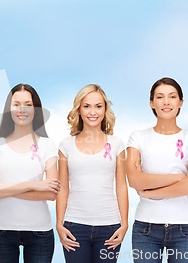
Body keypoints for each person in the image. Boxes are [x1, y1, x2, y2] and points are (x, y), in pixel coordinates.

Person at [126, 77, 188, 263]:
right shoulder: (137, 138)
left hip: (184, 228)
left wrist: (148, 192)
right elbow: (134, 181)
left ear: (180, 102)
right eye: (160, 97)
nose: (166, 102)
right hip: (146, 227)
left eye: (172, 96)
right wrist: (178, 178)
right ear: (152, 103)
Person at [0, 83, 59, 263]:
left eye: (28, 104)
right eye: (16, 104)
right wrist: (33, 185)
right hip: (2, 232)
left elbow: (51, 193)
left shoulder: (47, 145)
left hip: (40, 232)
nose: (21, 109)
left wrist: (2, 187)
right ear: (9, 108)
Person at [56, 84, 128, 262]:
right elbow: (63, 188)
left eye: (98, 106)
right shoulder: (66, 145)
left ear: (105, 110)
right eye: (86, 106)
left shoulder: (117, 144)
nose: (92, 112)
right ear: (79, 110)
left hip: (109, 227)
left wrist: (124, 224)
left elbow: (121, 186)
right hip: (74, 227)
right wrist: (59, 224)